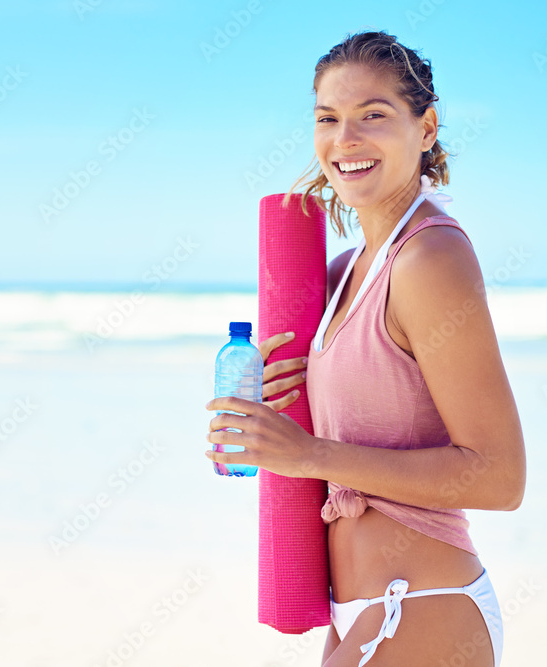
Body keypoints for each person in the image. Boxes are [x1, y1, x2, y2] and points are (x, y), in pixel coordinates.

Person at [205, 30, 525, 667]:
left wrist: (307, 454)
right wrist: (254, 426)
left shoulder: (430, 257)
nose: (344, 140)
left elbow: (499, 475)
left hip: (421, 604)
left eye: (373, 116)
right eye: (328, 119)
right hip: (361, 612)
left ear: (426, 128)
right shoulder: (346, 270)